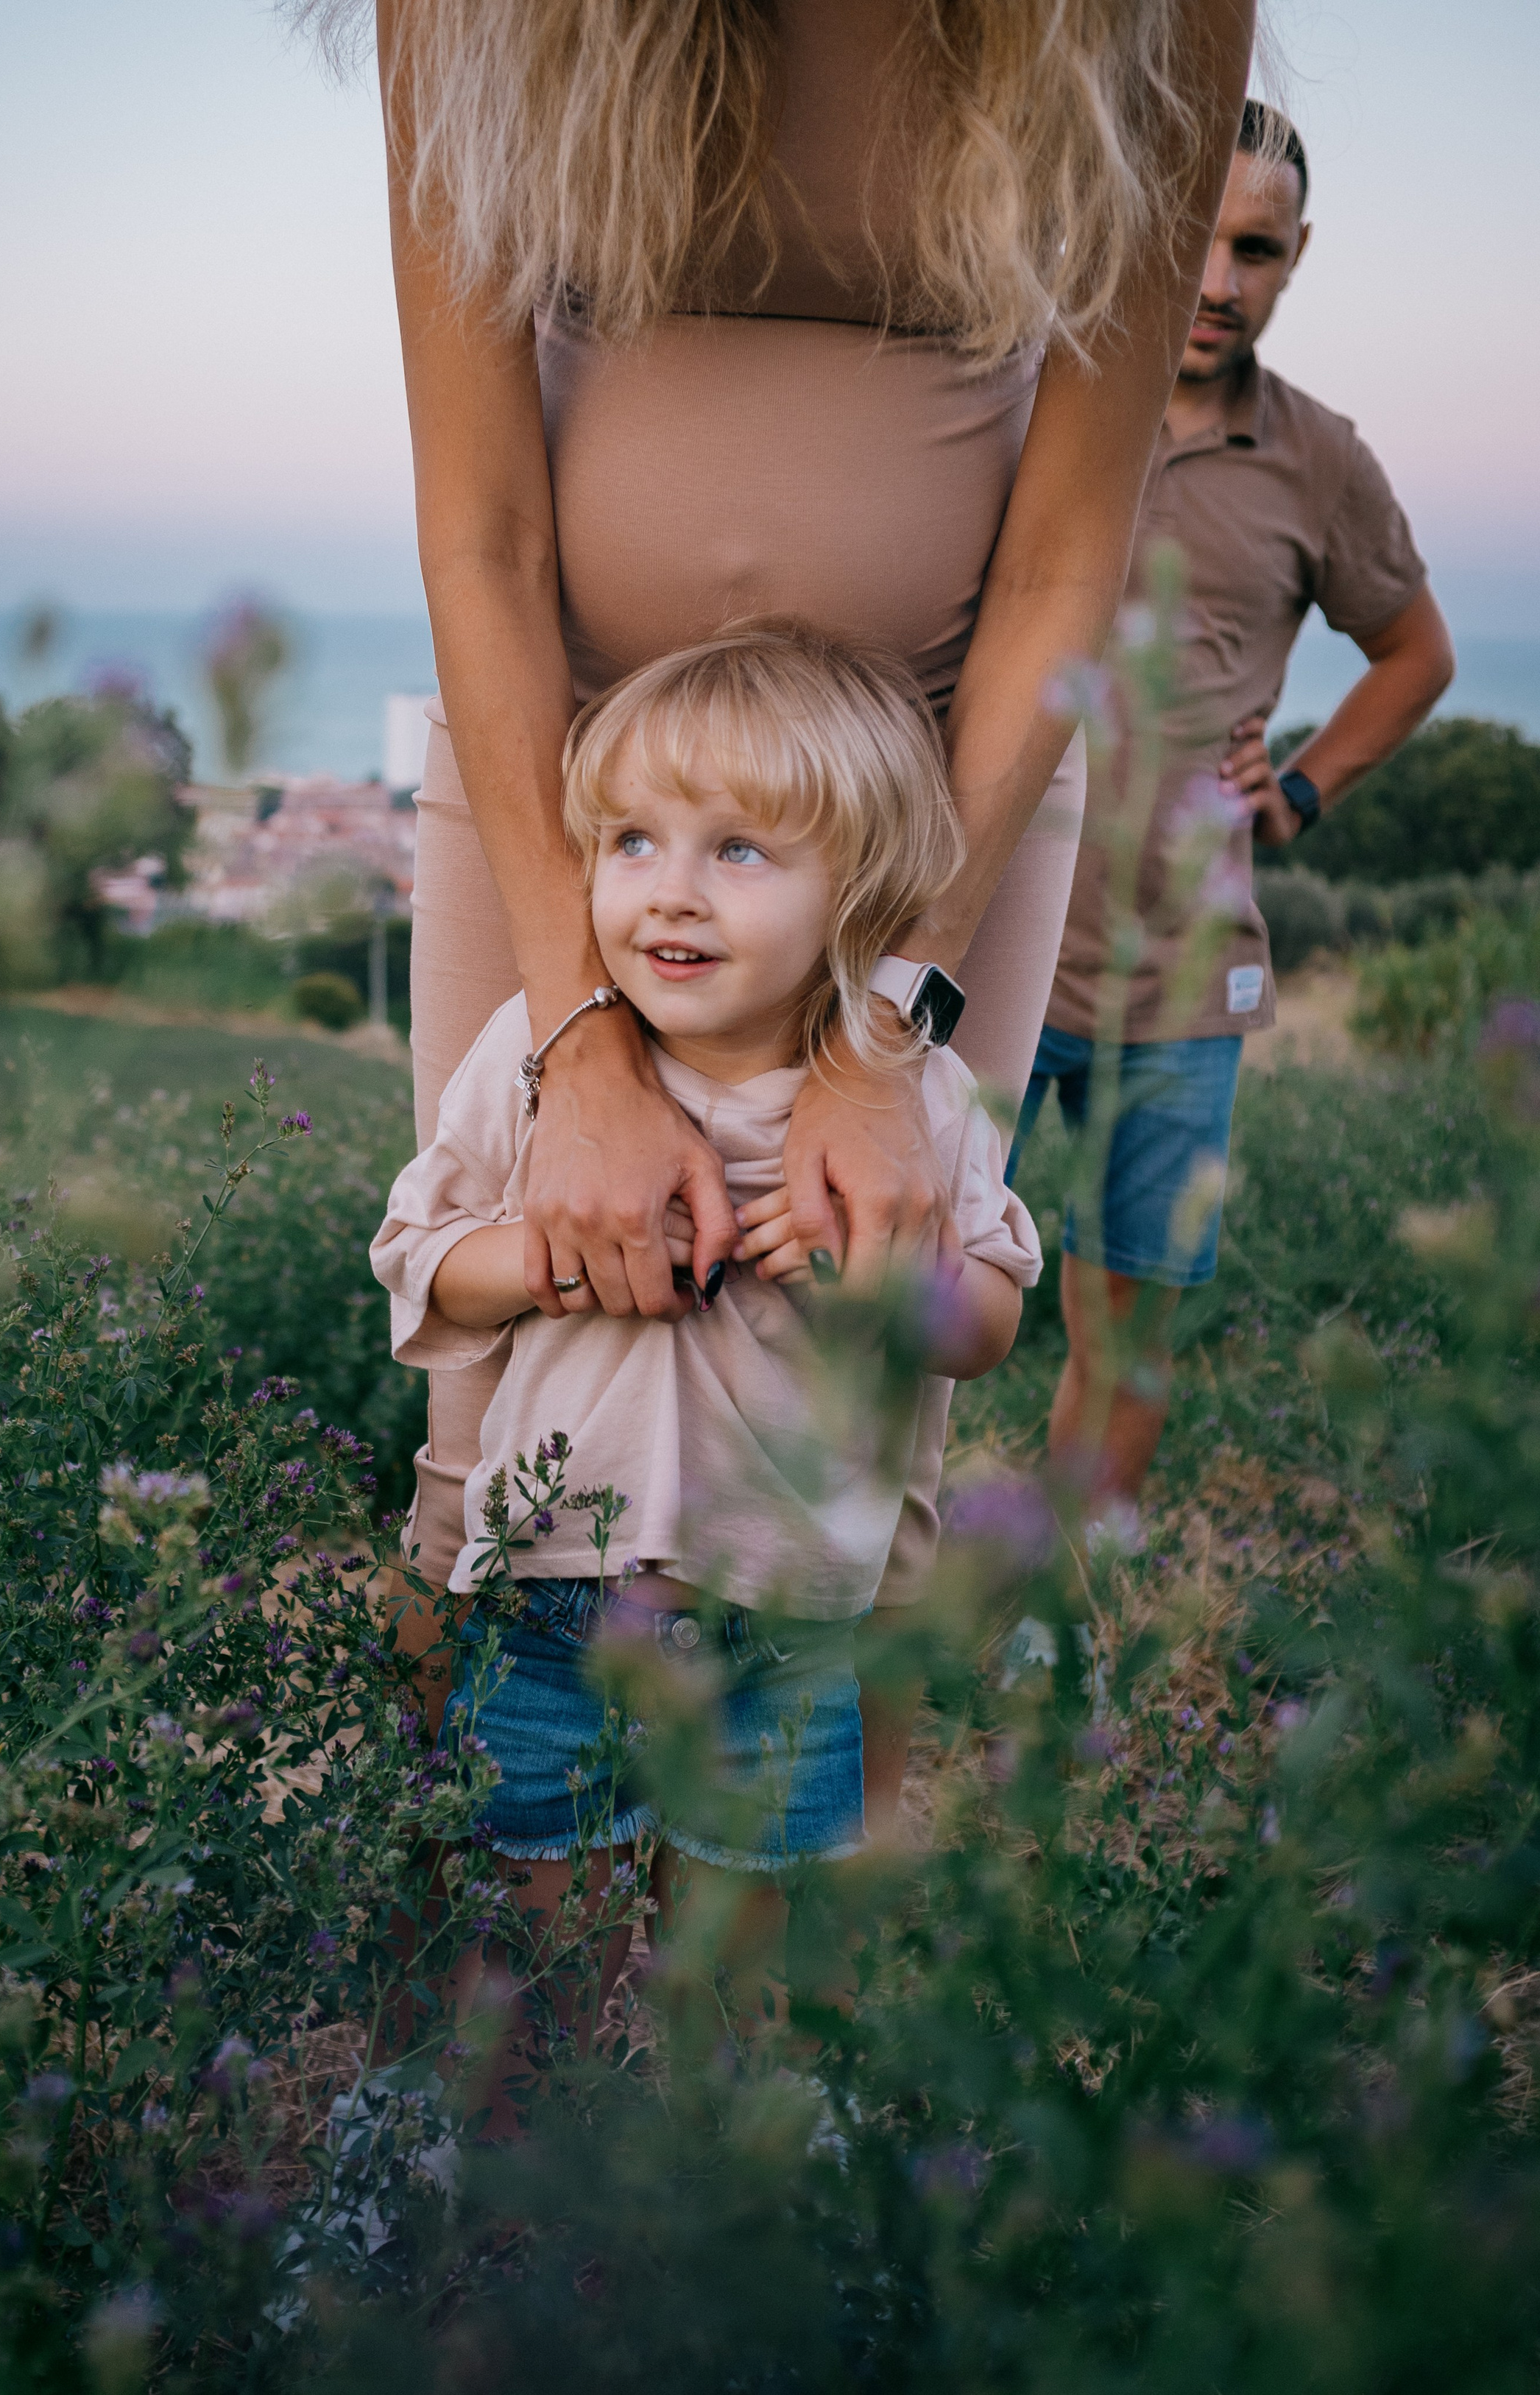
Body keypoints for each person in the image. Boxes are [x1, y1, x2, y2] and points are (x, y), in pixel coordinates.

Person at [303, 0, 1254, 1814]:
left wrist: (888, 1021)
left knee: (870, 1415)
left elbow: (1068, 552)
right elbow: (482, 532)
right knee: (482, 1438)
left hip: (939, 789)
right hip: (568, 777)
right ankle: (474, 1948)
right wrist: (580, 1035)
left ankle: (791, 1943)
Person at [372, 627, 1040, 2111]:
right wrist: (548, 1254)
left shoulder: (914, 1092)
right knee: (529, 1947)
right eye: (629, 841)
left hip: (788, 1623)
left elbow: (993, 1314)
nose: (667, 889)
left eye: (737, 848)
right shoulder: (534, 1054)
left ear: (857, 888)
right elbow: (417, 1254)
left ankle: (736, 2182)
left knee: (743, 1976)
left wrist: (907, 1290)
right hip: (554, 1604)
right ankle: (497, 2166)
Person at [1014, 101, 1456, 1513]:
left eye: (1254, 251)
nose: (1216, 281)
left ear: (1296, 258)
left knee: (1124, 1331)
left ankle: (1058, 1600)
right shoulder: (1028, 393)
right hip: (992, 957)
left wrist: (1303, 787)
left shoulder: (1322, 458)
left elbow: (1416, 652)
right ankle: (862, 1597)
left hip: (1185, 979)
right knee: (906, 1296)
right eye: (1192, 238)